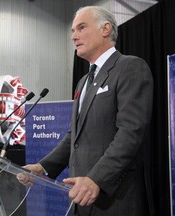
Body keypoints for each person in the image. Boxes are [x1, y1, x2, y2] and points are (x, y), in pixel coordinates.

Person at [21, 6, 154, 216]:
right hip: (80, 198)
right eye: (73, 31)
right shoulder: (83, 82)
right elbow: (75, 136)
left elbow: (131, 132)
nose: (74, 36)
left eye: (81, 28)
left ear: (106, 29)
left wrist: (97, 179)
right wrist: (43, 167)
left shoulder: (130, 67)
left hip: (115, 201)